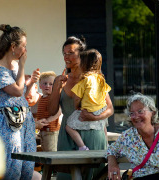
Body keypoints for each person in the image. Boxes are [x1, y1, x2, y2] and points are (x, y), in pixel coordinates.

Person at [49, 36, 114, 179]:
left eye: (71, 53)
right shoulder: (60, 80)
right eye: (64, 53)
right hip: (67, 136)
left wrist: (95, 117)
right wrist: (56, 88)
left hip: (93, 133)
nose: (66, 57)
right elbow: (52, 111)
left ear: (82, 54)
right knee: (66, 176)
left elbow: (109, 109)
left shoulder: (96, 78)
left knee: (94, 176)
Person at [0, 24, 40, 180]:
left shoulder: (15, 66)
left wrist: (29, 83)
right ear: (13, 47)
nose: (25, 50)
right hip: (8, 123)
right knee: (12, 163)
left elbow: (20, 92)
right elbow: (16, 90)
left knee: (27, 162)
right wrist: (22, 66)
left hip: (24, 120)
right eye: (24, 46)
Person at [106, 93, 159, 180]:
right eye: (132, 113)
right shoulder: (128, 136)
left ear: (152, 113)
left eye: (140, 111)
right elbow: (111, 150)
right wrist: (112, 164)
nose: (136, 116)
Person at [66, 49, 111, 151]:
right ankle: (107, 144)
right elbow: (104, 94)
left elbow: (77, 98)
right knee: (103, 125)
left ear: (84, 64)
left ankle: (82, 146)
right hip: (101, 110)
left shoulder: (84, 80)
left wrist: (77, 106)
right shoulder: (101, 79)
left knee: (69, 126)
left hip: (87, 110)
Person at [36, 71, 62, 152]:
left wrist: (48, 120)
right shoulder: (41, 97)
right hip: (42, 130)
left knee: (51, 151)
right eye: (45, 83)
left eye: (51, 84)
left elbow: (58, 112)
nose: (47, 85)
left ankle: (52, 165)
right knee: (44, 149)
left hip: (51, 131)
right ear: (40, 85)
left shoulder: (53, 97)